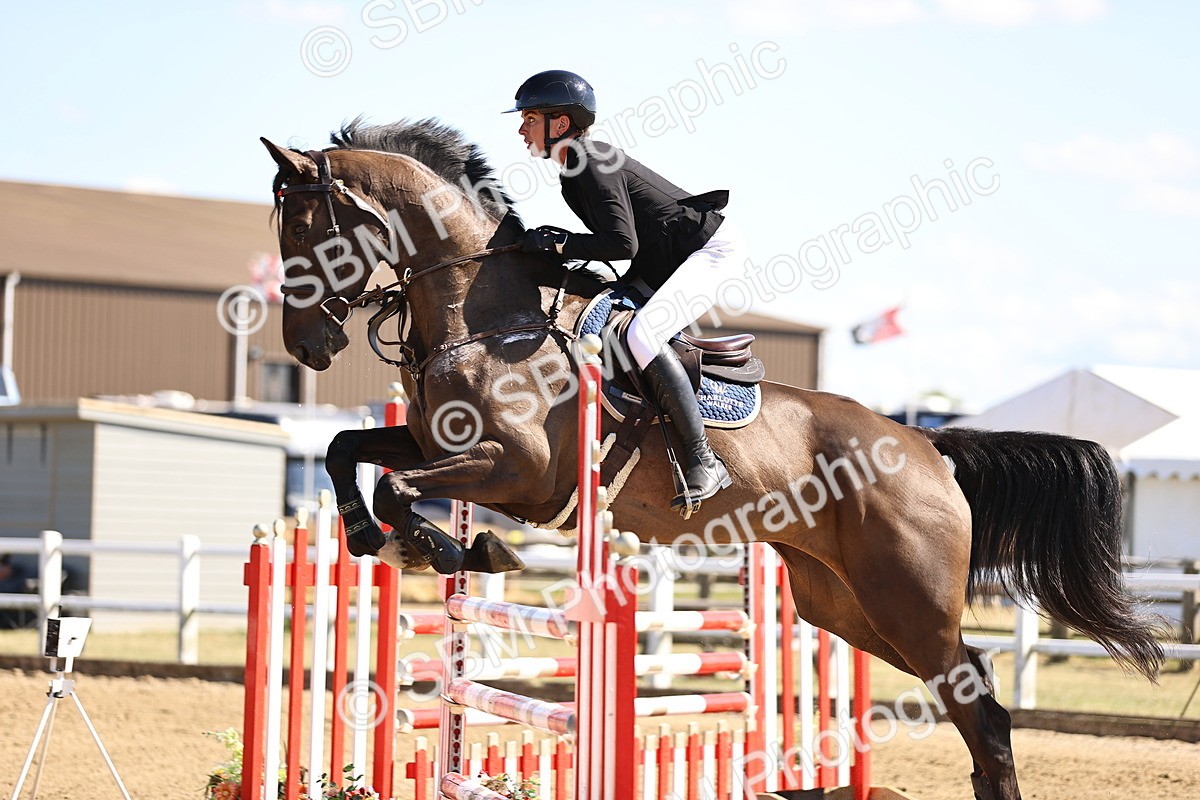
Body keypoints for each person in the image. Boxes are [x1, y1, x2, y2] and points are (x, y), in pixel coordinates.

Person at [505, 69, 747, 514]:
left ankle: (704, 461)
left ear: (560, 123)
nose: (521, 129)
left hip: (707, 252)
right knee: (606, 316)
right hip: (663, 257)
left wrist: (559, 242)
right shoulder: (573, 166)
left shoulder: (590, 160)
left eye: (530, 118)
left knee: (641, 335)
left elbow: (620, 243)